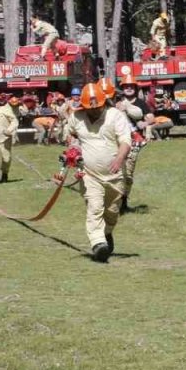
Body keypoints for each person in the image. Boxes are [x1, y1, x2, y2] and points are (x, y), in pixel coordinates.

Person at [66, 82, 133, 262]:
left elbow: (126, 141)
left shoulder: (115, 116)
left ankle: (106, 233)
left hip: (115, 175)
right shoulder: (77, 117)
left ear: (104, 102)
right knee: (94, 207)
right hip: (89, 174)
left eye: (97, 107)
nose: (93, 111)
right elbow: (69, 134)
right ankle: (98, 244)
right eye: (89, 108)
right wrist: (73, 149)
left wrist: (119, 159)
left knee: (112, 211)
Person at [114, 75, 150, 212]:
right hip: (117, 140)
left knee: (128, 173)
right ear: (122, 88)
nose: (128, 88)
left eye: (131, 86)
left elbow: (149, 117)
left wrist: (144, 123)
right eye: (126, 86)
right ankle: (113, 202)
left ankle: (123, 203)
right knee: (115, 172)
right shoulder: (115, 102)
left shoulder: (140, 103)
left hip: (134, 141)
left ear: (135, 88)